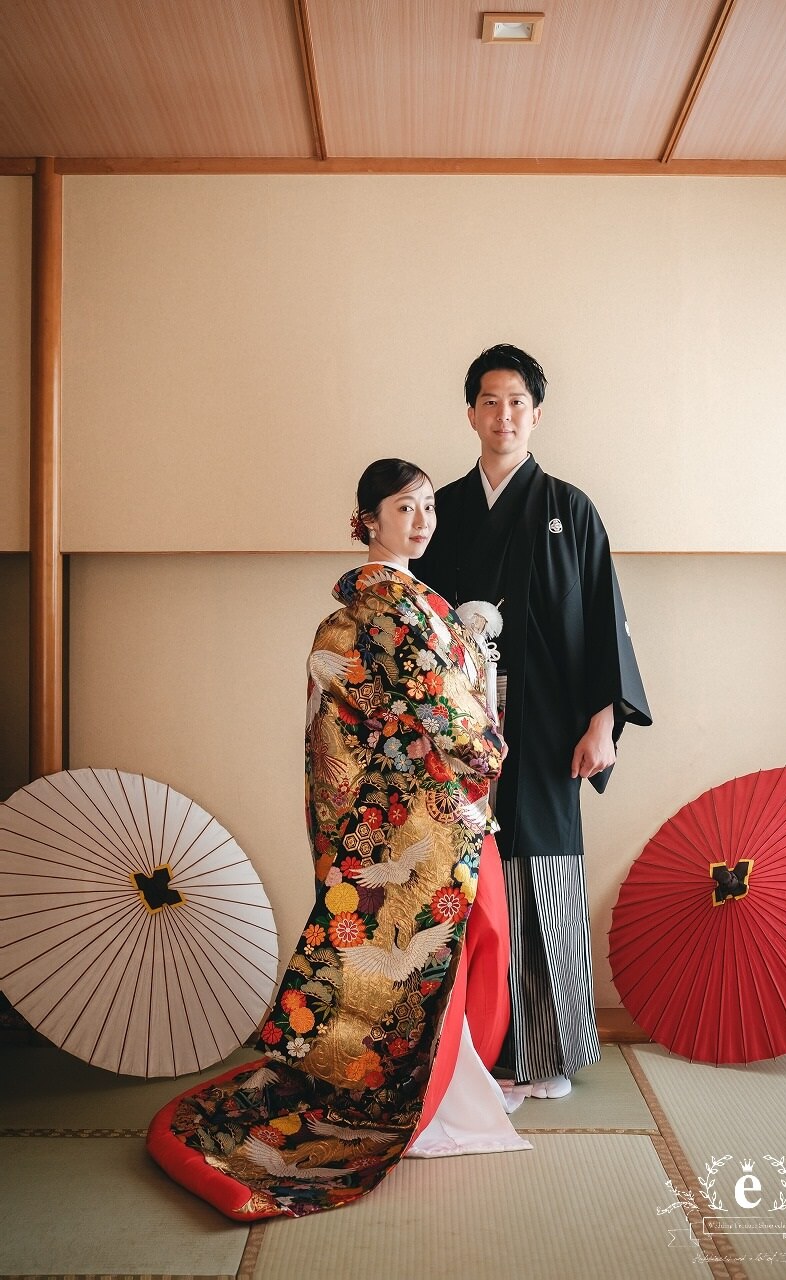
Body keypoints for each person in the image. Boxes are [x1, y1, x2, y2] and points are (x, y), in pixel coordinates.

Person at [147, 458, 524, 1221]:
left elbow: (337, 736)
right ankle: (425, 1106)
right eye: (402, 508)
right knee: (440, 962)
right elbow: (444, 710)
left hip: (386, 815)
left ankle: (428, 1092)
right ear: (369, 521)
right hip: (424, 815)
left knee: (394, 967)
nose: (420, 521)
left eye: (425, 507)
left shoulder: (362, 608)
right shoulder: (389, 603)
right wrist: (488, 745)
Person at [417, 346, 652, 1100]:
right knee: (462, 880)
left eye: (516, 402)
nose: (503, 416)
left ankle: (545, 1054)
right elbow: (412, 622)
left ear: (535, 414)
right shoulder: (441, 511)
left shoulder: (569, 509)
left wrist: (601, 723)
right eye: (489, 401)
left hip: (548, 726)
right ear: (470, 413)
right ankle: (470, 1049)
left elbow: (603, 625)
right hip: (458, 733)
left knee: (541, 874)